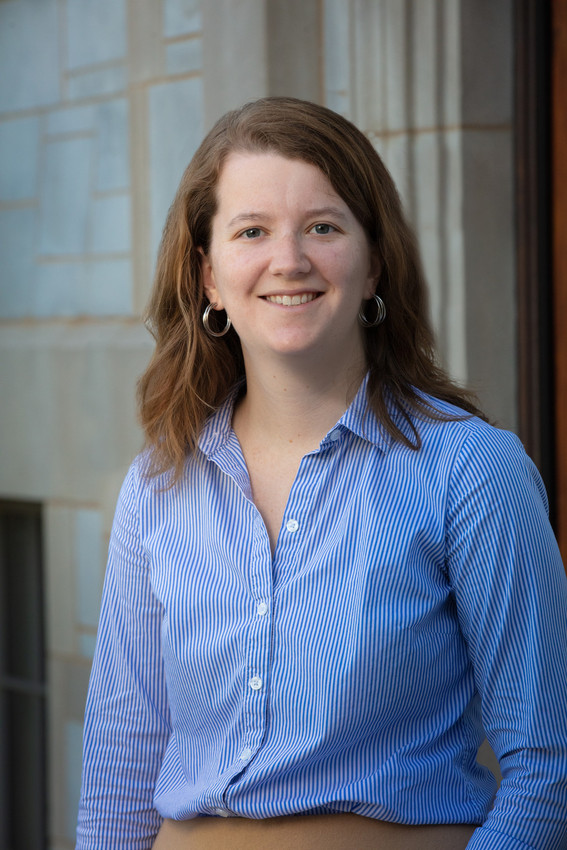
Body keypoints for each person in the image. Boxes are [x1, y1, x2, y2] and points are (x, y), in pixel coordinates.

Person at [76, 97, 567, 850]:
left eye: (323, 227)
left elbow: (547, 769)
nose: (289, 260)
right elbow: (117, 777)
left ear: (373, 262)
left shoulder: (470, 472)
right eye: (251, 231)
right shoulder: (158, 485)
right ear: (208, 276)